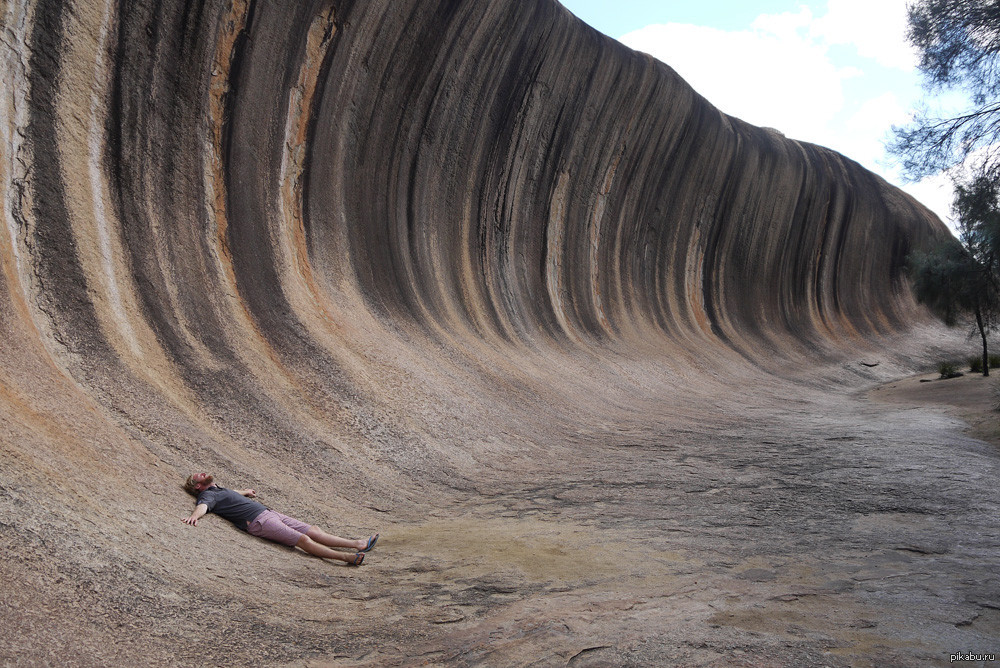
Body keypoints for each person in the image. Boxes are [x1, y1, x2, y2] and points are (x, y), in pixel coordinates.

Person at [182, 472, 378, 566]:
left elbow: (230, 494)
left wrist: (245, 492)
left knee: (314, 530)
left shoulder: (216, 490)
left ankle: (357, 543)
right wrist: (194, 516)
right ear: (198, 487)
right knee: (303, 540)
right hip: (258, 521)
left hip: (268, 513)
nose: (203, 473)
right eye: (198, 476)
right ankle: (345, 558)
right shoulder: (206, 496)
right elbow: (203, 506)